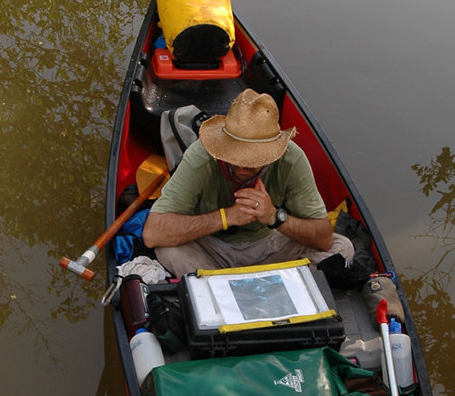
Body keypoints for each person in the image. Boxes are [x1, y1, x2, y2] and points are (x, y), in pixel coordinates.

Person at [142, 89, 354, 277]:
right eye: (237, 155)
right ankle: (263, 284)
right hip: (212, 247)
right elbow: (152, 234)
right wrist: (227, 217)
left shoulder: (291, 159)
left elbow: (324, 239)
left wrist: (275, 217)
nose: (243, 165)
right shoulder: (200, 158)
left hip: (270, 245)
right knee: (166, 248)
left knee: (342, 247)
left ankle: (222, 286)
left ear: (273, 153)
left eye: (254, 158)